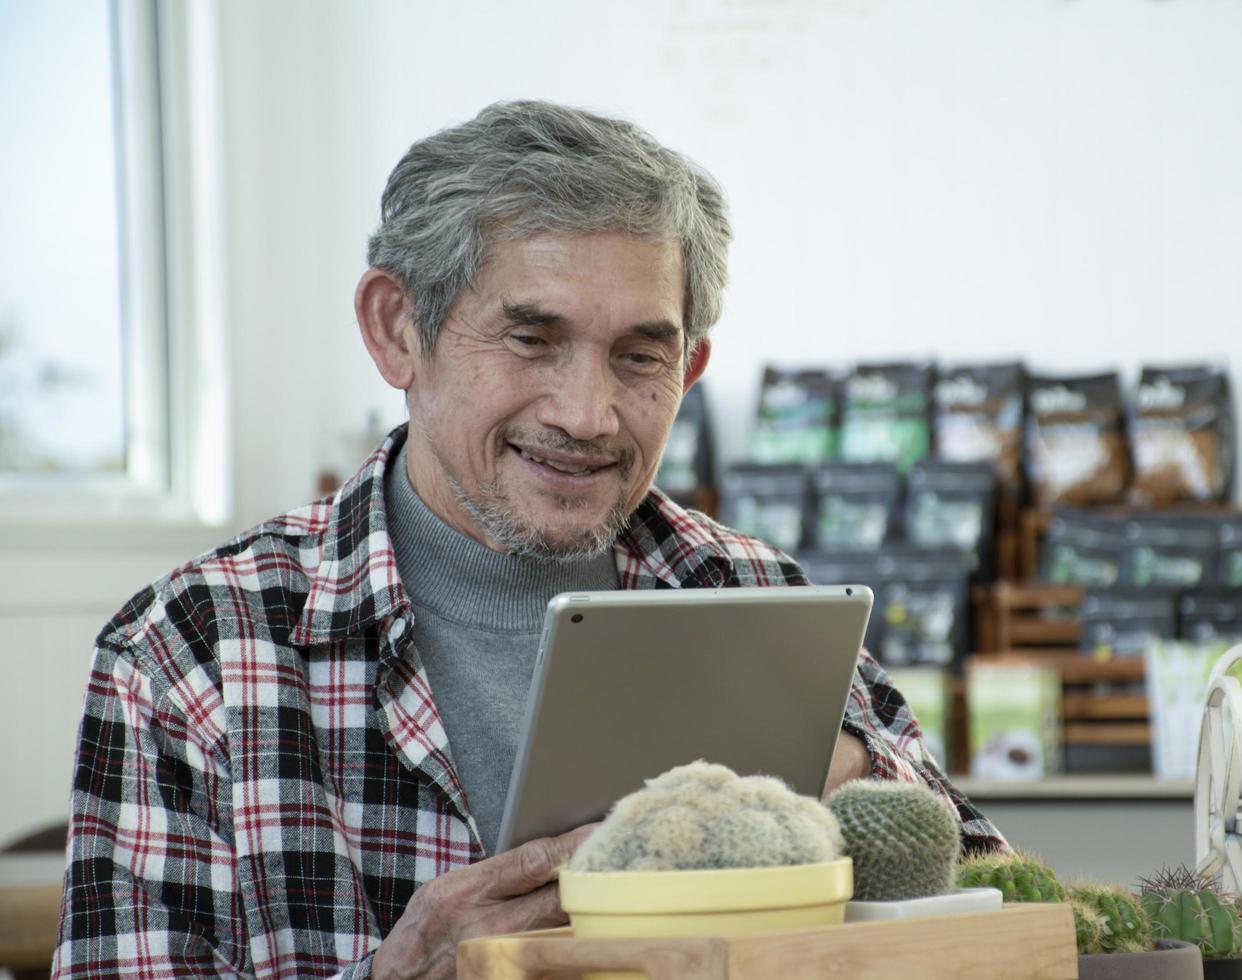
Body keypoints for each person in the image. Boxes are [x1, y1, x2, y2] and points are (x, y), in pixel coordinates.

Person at [53, 100, 1006, 979]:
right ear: (397, 331)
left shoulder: (746, 586)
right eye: (530, 340)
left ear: (690, 370)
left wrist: (848, 783)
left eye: (640, 357)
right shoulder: (190, 653)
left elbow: (1005, 913)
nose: (588, 415)